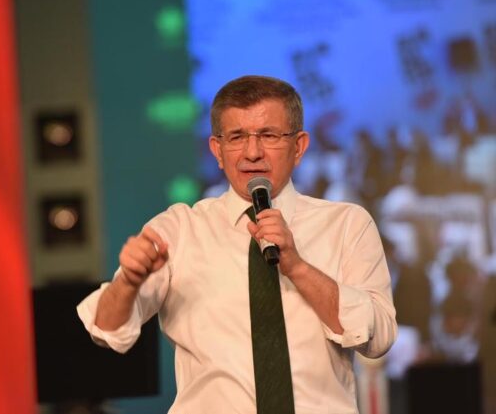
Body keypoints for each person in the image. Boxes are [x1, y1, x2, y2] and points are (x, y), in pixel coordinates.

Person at [77, 75, 397, 413]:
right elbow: (106, 331)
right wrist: (128, 281)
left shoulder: (347, 224)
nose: (252, 153)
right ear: (217, 150)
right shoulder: (179, 230)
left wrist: (299, 268)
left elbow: (379, 338)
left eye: (269, 136)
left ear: (299, 146)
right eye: (237, 137)